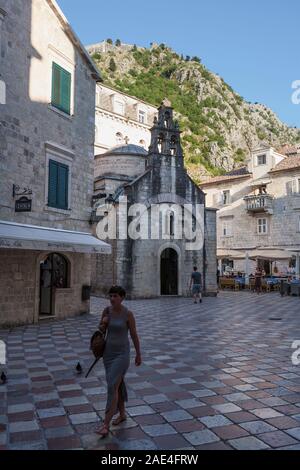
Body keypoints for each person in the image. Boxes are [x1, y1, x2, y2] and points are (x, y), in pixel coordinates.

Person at [95, 285, 142, 438]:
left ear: (122, 297)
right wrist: (103, 323)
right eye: (111, 296)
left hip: (122, 355)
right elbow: (101, 331)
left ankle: (105, 424)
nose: (112, 299)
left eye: (115, 296)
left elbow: (134, 335)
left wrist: (138, 354)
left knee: (111, 385)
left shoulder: (128, 314)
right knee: (117, 385)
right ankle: (122, 414)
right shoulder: (107, 311)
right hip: (108, 355)